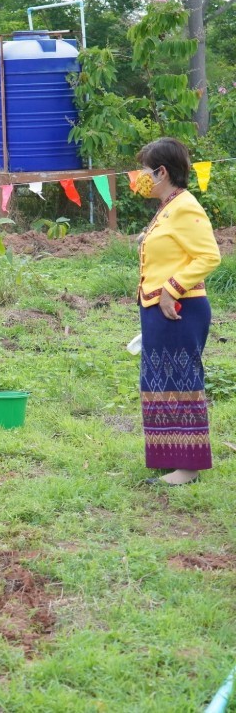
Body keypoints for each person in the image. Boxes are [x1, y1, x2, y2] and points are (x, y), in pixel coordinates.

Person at [134, 137, 220, 486]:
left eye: (144, 170)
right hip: (158, 306)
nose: (139, 177)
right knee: (160, 381)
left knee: (181, 381)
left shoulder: (185, 206)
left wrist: (171, 289)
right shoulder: (168, 206)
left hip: (179, 308)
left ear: (162, 172)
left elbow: (209, 255)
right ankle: (169, 457)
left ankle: (188, 467)